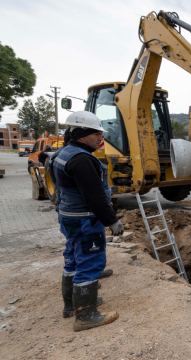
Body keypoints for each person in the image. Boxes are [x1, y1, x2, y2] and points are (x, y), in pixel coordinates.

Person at [51, 111, 124, 332]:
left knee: (73, 259)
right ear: (83, 134)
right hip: (85, 221)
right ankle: (86, 315)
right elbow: (94, 197)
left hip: (69, 218)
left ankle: (71, 305)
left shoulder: (62, 153)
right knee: (90, 263)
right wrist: (111, 220)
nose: (100, 139)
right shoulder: (82, 160)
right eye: (97, 134)